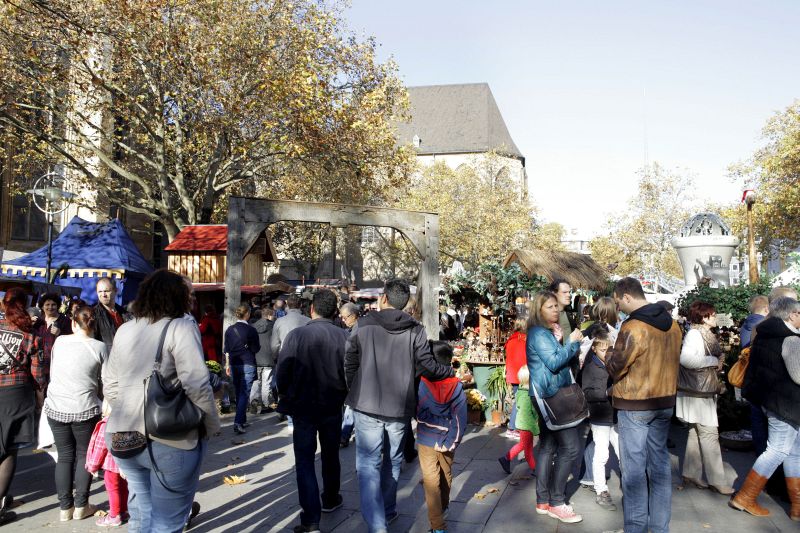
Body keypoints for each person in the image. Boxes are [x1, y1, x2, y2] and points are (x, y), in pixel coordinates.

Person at [103, 269, 221, 532]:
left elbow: (110, 384)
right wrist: (211, 424)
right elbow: (197, 384)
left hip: (123, 434)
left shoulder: (125, 329)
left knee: (141, 514)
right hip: (169, 437)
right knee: (167, 523)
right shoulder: (181, 326)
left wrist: (130, 407)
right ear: (177, 297)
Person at [344, 279, 454, 533]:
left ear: (383, 298)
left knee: (368, 464)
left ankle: (378, 524)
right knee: (392, 461)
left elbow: (349, 361)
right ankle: (387, 510)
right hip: (399, 406)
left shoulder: (363, 325)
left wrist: (354, 388)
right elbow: (428, 365)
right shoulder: (415, 329)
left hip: (366, 403)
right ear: (404, 303)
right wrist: (449, 371)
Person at [605, 277, 682, 533]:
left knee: (634, 471)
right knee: (659, 466)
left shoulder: (634, 326)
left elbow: (616, 367)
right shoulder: (673, 325)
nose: (618, 308)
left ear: (626, 296)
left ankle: (636, 528)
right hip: (664, 401)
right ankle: (659, 528)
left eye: (618, 302)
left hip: (635, 404)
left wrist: (607, 352)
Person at [275, 289, 349, 533]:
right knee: (330, 454)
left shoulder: (297, 335)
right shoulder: (344, 336)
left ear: (312, 309)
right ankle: (330, 497)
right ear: (334, 311)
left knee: (305, 460)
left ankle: (311, 517)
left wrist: (285, 393)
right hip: (332, 404)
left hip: (303, 405)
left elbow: (283, 371)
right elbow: (351, 372)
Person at [733, 296, 800, 521]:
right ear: (792, 314)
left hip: (772, 401)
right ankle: (745, 497)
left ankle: (797, 506)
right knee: (778, 450)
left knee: (793, 452)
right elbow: (798, 376)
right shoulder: (791, 339)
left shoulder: (764, 333)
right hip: (786, 404)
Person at [44, 305, 107, 521]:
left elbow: (54, 371)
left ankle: (65, 509)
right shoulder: (100, 347)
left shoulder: (60, 341)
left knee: (64, 456)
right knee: (83, 455)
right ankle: (81, 506)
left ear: (73, 323)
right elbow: (106, 381)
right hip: (85, 408)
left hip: (56, 406)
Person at [526, 290, 584, 523]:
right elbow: (553, 363)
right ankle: (557, 502)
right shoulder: (539, 333)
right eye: (550, 306)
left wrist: (560, 342)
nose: (556, 310)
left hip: (547, 394)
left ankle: (543, 500)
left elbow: (551, 359)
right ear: (539, 310)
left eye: (556, 306)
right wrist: (572, 343)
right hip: (552, 396)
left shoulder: (543, 332)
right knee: (570, 448)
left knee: (548, 447)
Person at [676, 301, 734, 495]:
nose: (715, 317)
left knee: (696, 432)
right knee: (709, 434)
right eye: (713, 314)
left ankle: (691, 473)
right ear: (704, 317)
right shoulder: (695, 334)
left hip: (697, 392)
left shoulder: (701, 333)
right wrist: (712, 360)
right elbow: (686, 359)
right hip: (698, 393)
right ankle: (717, 481)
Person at [0, 288, 45, 525]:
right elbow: (38, 374)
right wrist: (40, 398)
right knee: (9, 449)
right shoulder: (30, 334)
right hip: (16, 395)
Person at [417, 341, 466, 533]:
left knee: (431, 481)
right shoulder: (457, 386)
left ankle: (437, 526)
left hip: (426, 437)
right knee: (445, 475)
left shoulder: (422, 381)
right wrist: (452, 441)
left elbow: (417, 409)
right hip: (448, 438)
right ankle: (443, 509)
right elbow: (460, 418)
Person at [581, 328, 620, 511]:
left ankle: (630, 485)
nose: (606, 353)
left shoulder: (614, 365)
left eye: (609, 349)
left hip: (616, 416)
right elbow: (587, 392)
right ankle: (601, 489)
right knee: (602, 454)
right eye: (603, 349)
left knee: (623, 452)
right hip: (600, 416)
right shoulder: (590, 368)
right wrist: (605, 393)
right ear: (594, 349)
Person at [85, 400, 129, 527]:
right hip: (124, 465)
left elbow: (100, 448)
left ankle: (114, 516)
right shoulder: (127, 421)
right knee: (124, 488)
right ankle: (124, 511)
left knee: (112, 490)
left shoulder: (105, 424)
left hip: (111, 465)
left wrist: (92, 466)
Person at [224, 305, 260, 434]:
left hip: (234, 363)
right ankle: (238, 422)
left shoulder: (229, 330)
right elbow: (256, 348)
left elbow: (226, 350)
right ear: (248, 314)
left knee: (239, 392)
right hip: (247, 363)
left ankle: (242, 420)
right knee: (244, 393)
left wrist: (227, 365)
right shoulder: (251, 330)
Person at [498, 365, 538, 474]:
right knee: (526, 448)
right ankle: (535, 470)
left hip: (523, 424)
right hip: (527, 425)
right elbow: (529, 413)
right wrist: (535, 427)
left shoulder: (521, 391)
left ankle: (507, 459)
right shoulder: (527, 395)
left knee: (525, 446)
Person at [33, 293, 72, 383]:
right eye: (47, 304)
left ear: (58, 306)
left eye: (53, 304)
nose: (50, 307)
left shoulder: (66, 321)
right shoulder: (38, 322)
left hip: (57, 363)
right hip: (38, 364)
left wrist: (60, 334)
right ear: (42, 306)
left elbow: (72, 341)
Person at [339, 302, 359, 447]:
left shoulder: (357, 331)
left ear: (353, 316)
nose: (343, 320)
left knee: (351, 408)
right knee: (351, 408)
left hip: (358, 377)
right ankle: (344, 435)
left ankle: (344, 435)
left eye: (345, 317)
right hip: (357, 378)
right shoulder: (352, 330)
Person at [250, 306, 276, 414]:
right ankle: (266, 404)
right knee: (267, 383)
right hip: (269, 358)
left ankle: (254, 401)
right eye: (273, 315)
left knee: (256, 382)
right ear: (269, 315)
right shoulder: (272, 326)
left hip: (256, 357)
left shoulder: (253, 326)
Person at [504, 319, 527, 439]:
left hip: (513, 375)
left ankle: (514, 428)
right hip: (523, 374)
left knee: (518, 401)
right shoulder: (525, 340)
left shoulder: (511, 340)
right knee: (520, 402)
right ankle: (513, 428)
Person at [93, 278, 131, 351]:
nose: (103, 295)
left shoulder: (126, 314)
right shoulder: (93, 315)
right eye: (100, 291)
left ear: (115, 290)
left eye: (106, 291)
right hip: (107, 356)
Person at [547, 278, 574, 344]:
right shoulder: (547, 317)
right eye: (564, 292)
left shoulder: (567, 314)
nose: (569, 295)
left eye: (569, 292)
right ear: (554, 293)